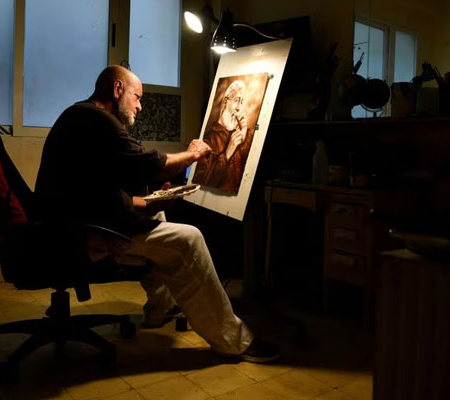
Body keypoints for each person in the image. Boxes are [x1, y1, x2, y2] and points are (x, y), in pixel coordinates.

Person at [34, 65, 278, 363]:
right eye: (137, 97)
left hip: (72, 223)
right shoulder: (95, 118)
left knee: (157, 218)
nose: (140, 105)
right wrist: (194, 154)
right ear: (117, 89)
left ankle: (159, 309)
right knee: (189, 239)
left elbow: (101, 194)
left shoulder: (80, 117)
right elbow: (151, 164)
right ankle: (234, 341)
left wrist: (152, 203)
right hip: (75, 233)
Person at [192, 79, 253, 194]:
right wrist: (227, 154)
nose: (239, 108)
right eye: (236, 100)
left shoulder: (238, 133)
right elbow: (204, 183)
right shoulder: (208, 139)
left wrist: (244, 134)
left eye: (242, 102)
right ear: (225, 101)